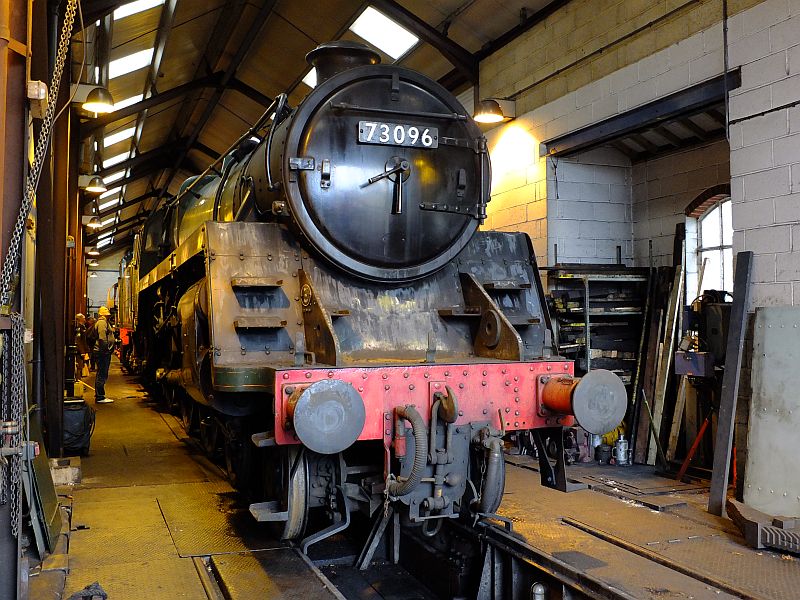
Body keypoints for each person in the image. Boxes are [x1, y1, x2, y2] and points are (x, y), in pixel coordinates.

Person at [93, 306, 115, 404]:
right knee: (102, 374)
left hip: (102, 352)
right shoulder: (102, 323)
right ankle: (100, 397)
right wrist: (106, 350)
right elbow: (102, 338)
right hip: (102, 352)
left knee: (101, 373)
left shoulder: (103, 322)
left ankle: (99, 395)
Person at [75, 313, 90, 380]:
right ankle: (78, 380)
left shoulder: (82, 326)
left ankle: (79, 379)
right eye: (83, 318)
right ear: (80, 319)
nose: (84, 319)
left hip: (82, 349)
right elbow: (78, 340)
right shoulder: (79, 327)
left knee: (81, 365)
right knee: (79, 366)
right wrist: (82, 351)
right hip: (79, 350)